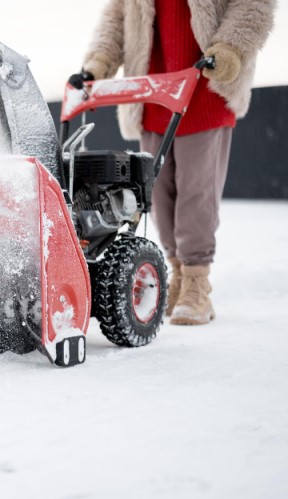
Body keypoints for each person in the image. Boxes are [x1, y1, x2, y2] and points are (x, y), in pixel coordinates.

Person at [77, 0, 275, 325]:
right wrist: (100, 60)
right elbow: (117, 15)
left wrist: (230, 48)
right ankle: (179, 273)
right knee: (157, 192)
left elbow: (254, 5)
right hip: (154, 91)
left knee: (197, 191)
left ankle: (198, 283)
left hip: (205, 85)